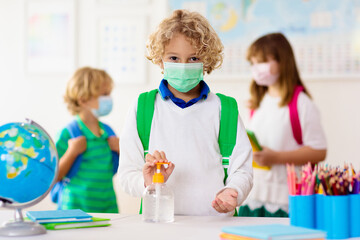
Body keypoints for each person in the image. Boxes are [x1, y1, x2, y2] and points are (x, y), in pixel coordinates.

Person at [118, 9, 253, 216]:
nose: (183, 66)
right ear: (160, 60)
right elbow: (127, 174)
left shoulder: (225, 109)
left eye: (193, 58)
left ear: (206, 60)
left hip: (215, 225)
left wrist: (233, 191)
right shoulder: (143, 107)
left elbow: (242, 170)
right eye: (173, 57)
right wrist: (146, 182)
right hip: (159, 226)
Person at [239, 33, 327, 217]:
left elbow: (319, 151)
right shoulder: (258, 102)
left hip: (284, 202)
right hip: (254, 196)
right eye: (252, 63)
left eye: (261, 61)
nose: (256, 68)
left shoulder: (302, 104)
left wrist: (276, 157)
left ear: (283, 61)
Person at [54, 67, 119, 213]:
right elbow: (55, 176)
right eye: (104, 94)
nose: (109, 99)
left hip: (107, 207)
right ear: (83, 99)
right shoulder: (68, 134)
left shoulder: (108, 133)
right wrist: (72, 152)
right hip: (74, 209)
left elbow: (119, 169)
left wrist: (121, 150)